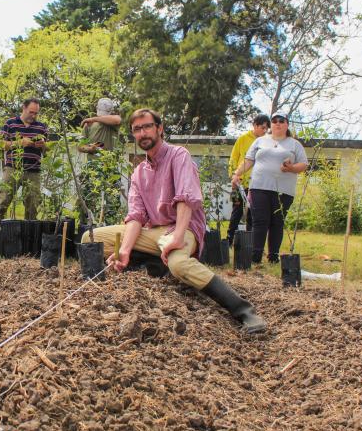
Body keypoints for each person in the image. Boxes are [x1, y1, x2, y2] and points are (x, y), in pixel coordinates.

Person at [85, 108, 266, 333]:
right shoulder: (139, 172)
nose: (143, 133)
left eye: (147, 126)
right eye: (137, 129)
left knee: (179, 264)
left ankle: (244, 311)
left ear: (160, 129)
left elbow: (185, 200)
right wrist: (125, 250)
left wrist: (178, 237)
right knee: (90, 238)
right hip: (155, 232)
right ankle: (157, 264)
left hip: (183, 227)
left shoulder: (178, 155)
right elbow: (136, 218)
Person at [232, 111, 308, 264]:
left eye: (281, 120)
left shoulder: (294, 144)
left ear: (287, 124)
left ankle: (273, 256)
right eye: (274, 121)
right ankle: (256, 255)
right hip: (259, 187)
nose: (278, 123)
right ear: (271, 125)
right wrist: (236, 174)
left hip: (283, 190)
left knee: (277, 222)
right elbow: (248, 160)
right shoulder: (260, 141)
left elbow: (304, 165)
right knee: (259, 221)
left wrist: (291, 168)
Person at [0, 98, 48, 231]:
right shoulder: (10, 123)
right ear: (23, 108)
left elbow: (46, 152)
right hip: (12, 169)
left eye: (36, 113)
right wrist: (18, 143)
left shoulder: (41, 127)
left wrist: (43, 146)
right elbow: (0, 145)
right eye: (31, 112)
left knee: (33, 206)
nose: (34, 115)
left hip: (34, 171)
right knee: (2, 201)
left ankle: (29, 237)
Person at [226, 113, 270, 244]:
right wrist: (232, 176)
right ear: (255, 126)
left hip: (256, 184)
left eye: (267, 128)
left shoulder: (266, 142)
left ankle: (249, 242)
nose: (265, 131)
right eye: (262, 127)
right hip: (238, 183)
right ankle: (229, 240)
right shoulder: (242, 139)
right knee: (236, 211)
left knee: (252, 214)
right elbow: (233, 158)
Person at [78, 97, 122, 224]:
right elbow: (80, 146)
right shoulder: (88, 126)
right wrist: (90, 148)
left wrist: (93, 118)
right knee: (90, 199)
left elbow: (117, 119)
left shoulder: (112, 124)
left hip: (110, 167)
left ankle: (110, 226)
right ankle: (89, 226)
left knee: (112, 202)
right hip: (92, 168)